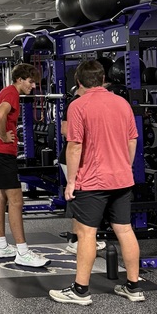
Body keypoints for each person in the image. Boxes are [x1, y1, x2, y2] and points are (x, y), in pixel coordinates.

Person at [50, 59, 144, 305]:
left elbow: (74, 145)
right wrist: (125, 167)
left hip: (92, 181)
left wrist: (71, 182)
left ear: (78, 82)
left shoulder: (78, 106)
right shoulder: (122, 103)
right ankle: (134, 286)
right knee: (124, 230)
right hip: (122, 179)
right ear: (104, 80)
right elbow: (132, 140)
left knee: (86, 233)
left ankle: (80, 291)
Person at [0, 63, 49, 267]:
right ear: (20, 79)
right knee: (16, 200)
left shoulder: (7, 92)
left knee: (0, 196)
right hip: (1, 152)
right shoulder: (11, 94)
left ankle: (2, 246)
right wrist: (3, 135)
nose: (33, 86)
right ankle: (22, 251)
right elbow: (1, 116)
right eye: (30, 82)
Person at [60, 84, 105, 254]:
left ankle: (82, 238)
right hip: (72, 157)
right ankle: (75, 240)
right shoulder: (75, 103)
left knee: (84, 200)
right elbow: (65, 130)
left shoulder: (87, 103)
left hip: (84, 158)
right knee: (79, 199)